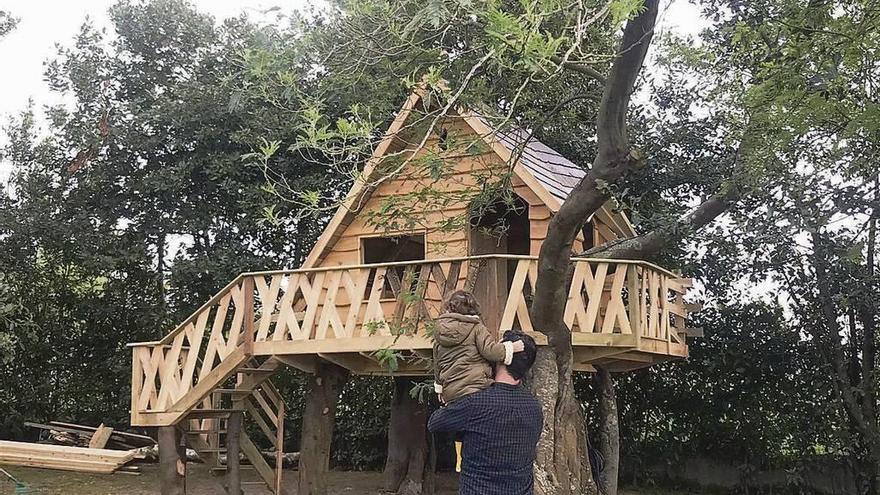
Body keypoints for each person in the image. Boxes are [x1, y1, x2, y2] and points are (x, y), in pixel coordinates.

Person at [428, 330, 542, 495]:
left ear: (503, 358)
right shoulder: (534, 407)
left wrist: (449, 400)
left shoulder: (476, 402)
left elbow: (435, 423)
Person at [432, 290, 524, 405]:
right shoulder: (477, 328)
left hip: (451, 393)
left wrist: (440, 389)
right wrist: (510, 347)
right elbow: (490, 352)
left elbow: (437, 366)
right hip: (476, 387)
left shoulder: (439, 335)